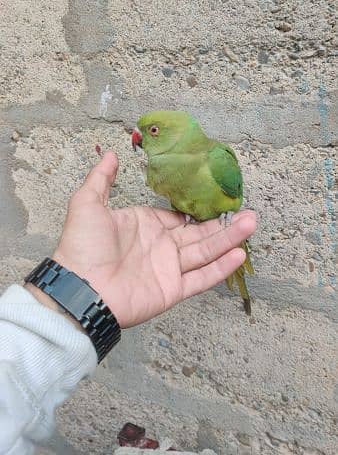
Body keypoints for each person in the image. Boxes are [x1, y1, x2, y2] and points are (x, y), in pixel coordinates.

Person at [0, 151, 256, 455]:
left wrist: (72, 290)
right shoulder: (158, 169)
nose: (140, 140)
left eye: (154, 131)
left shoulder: (216, 160)